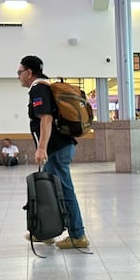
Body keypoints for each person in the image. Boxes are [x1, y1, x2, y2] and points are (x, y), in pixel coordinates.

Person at [18, 55, 89, 249]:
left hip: (56, 148)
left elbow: (46, 118)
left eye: (20, 72)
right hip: (59, 146)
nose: (19, 77)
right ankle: (47, 232)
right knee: (52, 191)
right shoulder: (44, 87)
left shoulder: (38, 89)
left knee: (65, 191)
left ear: (29, 72)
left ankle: (77, 235)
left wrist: (41, 148)